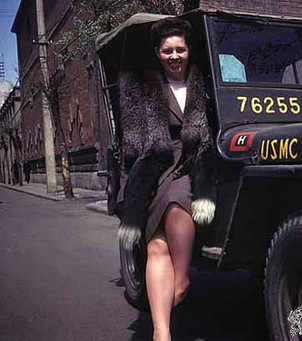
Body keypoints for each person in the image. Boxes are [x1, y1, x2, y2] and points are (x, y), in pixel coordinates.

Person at [117, 18, 216, 341]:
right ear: (158, 54)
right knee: (156, 244)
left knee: (177, 203)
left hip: (195, 158)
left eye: (180, 50)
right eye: (167, 51)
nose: (175, 56)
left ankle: (183, 276)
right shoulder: (144, 86)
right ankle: (162, 333)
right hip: (156, 161)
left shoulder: (207, 81)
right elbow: (132, 139)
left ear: (189, 52)